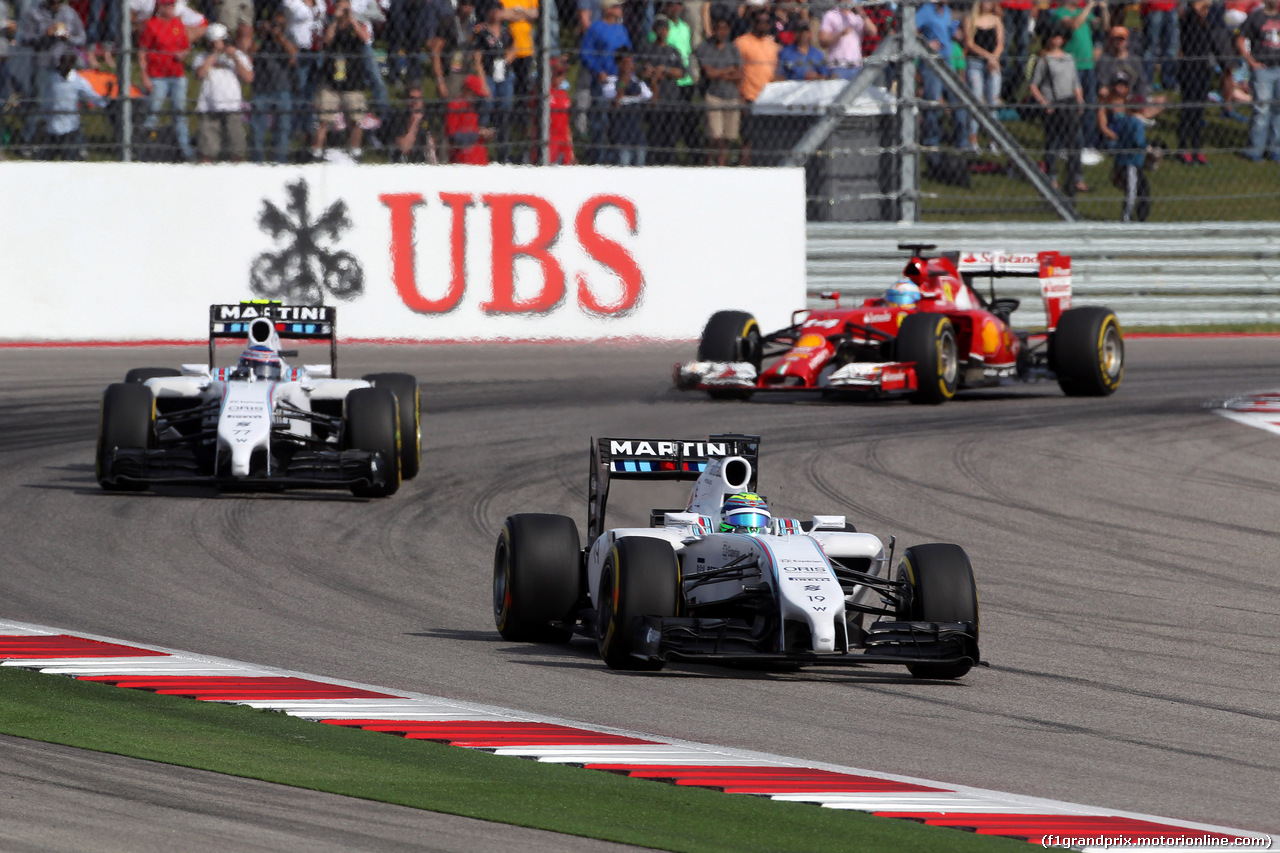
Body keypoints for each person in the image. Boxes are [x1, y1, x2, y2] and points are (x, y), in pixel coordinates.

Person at [16, 0, 85, 152]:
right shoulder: (34, 14)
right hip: (43, 64)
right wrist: (45, 35)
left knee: (68, 104)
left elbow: (82, 38)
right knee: (38, 103)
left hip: (64, 65)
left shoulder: (69, 13)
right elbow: (25, 38)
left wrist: (68, 37)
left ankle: (77, 143)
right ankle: (28, 142)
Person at [1029, 23, 1085, 194]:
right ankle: (1051, 176)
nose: (1057, 40)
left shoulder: (1069, 58)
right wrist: (1043, 101)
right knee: (1052, 141)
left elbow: (1075, 81)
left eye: (1060, 37)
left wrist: (1080, 99)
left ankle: (1076, 177)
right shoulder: (1044, 59)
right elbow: (1033, 85)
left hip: (1069, 102)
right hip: (1052, 104)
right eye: (1054, 36)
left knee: (1075, 141)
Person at [310, 0, 370, 161]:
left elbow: (365, 38)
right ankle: (316, 152)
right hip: (331, 80)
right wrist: (336, 21)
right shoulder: (329, 24)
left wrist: (351, 19)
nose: (344, 11)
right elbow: (326, 41)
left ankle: (355, 151)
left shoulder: (357, 23)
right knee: (324, 119)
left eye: (346, 8)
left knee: (355, 119)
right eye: (341, 8)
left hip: (353, 80)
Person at [138, 0, 194, 161]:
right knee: (153, 111)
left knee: (179, 113)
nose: (171, 8)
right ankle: (145, 147)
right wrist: (144, 75)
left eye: (172, 5)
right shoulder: (151, 25)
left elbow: (186, 46)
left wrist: (183, 54)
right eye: (168, 5)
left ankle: (185, 150)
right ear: (160, 8)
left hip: (177, 74)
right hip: (157, 75)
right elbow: (142, 51)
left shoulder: (177, 24)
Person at [1050, 0, 1103, 161]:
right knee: (1070, 107)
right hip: (1072, 66)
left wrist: (1104, 10)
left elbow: (1102, 26)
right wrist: (1088, 7)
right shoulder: (1059, 13)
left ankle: (1087, 144)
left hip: (1088, 65)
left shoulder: (1084, 12)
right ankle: (1063, 145)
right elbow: (1074, 25)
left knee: (1089, 105)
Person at [194, 21, 252, 162]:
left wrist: (234, 58)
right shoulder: (201, 57)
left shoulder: (238, 56)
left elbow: (248, 77)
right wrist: (214, 54)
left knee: (237, 150)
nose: (216, 44)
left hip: (232, 107)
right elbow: (200, 74)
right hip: (209, 107)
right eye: (212, 42)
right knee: (207, 152)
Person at [581, 0, 631, 162]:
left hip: (619, 82)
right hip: (603, 83)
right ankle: (598, 160)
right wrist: (598, 71)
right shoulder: (595, 28)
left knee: (620, 123)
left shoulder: (622, 29)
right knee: (600, 124)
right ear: (608, 10)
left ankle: (617, 160)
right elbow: (586, 54)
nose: (621, 9)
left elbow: (628, 54)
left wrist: (629, 71)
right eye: (617, 6)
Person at [249, 10, 296, 164]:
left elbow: (293, 57)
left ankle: (280, 161)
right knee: (258, 129)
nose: (277, 26)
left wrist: (279, 36)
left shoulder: (288, 36)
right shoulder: (261, 38)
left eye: (280, 24)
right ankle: (257, 161)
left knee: (282, 128)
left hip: (282, 88)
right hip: (261, 88)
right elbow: (250, 54)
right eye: (275, 24)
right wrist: (262, 35)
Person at [694, 15, 742, 165]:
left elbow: (740, 73)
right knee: (715, 135)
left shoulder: (733, 48)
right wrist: (728, 71)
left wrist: (720, 73)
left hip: (732, 95)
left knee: (728, 136)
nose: (722, 32)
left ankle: (722, 165)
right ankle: (709, 164)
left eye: (725, 29)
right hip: (713, 95)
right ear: (714, 30)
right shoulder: (705, 47)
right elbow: (709, 73)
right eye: (719, 29)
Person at [916, 0, 963, 152]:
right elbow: (911, 29)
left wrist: (954, 33)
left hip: (947, 63)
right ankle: (931, 141)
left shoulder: (947, 11)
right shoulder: (926, 10)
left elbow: (945, 31)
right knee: (933, 102)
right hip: (931, 64)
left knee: (958, 101)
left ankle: (961, 143)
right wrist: (925, 43)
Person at [734, 7, 778, 165]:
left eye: (766, 22)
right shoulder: (742, 42)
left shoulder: (772, 44)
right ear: (752, 22)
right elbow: (737, 71)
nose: (763, 25)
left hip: (769, 99)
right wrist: (740, 96)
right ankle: (744, 169)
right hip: (750, 97)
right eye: (760, 21)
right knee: (748, 139)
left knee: (766, 138)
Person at [42, 50, 106, 158]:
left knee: (70, 159)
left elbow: (92, 96)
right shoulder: (53, 79)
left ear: (72, 65)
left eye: (68, 63)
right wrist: (45, 117)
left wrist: (106, 100)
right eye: (63, 63)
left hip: (70, 127)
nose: (64, 66)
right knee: (44, 160)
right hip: (52, 126)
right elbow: (47, 99)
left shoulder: (78, 81)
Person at [1237, 0, 1280, 160]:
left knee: (1278, 110)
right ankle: (1255, 150)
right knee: (1262, 109)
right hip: (1263, 69)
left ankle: (1275, 149)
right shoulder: (1256, 17)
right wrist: (1251, 62)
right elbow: (1240, 39)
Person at [639, 14, 685, 163]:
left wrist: (664, 70)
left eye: (665, 28)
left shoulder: (673, 51)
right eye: (659, 28)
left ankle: (669, 163)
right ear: (654, 30)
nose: (662, 31)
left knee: (670, 139)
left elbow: (681, 72)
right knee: (655, 138)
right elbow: (641, 71)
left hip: (672, 99)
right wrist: (648, 71)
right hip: (655, 100)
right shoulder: (648, 49)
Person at [473, 0, 515, 160]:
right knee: (487, 105)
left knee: (504, 108)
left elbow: (513, 46)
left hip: (504, 74)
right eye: (494, 10)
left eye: (499, 10)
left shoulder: (505, 31)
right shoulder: (481, 31)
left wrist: (506, 60)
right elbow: (477, 58)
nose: (497, 13)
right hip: (489, 73)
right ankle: (482, 147)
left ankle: (503, 153)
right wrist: (483, 81)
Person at [963, 0, 1004, 150]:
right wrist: (988, 57)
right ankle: (973, 139)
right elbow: (970, 43)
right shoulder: (970, 19)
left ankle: (993, 139)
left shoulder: (996, 20)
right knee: (976, 99)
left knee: (992, 102)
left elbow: (1000, 43)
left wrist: (994, 58)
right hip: (975, 63)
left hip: (993, 64)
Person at [1178, 0, 1216, 163]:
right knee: (1189, 109)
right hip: (1189, 70)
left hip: (1203, 69)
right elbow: (1193, 10)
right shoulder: (1188, 21)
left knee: (1199, 111)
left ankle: (1197, 147)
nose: (1205, 10)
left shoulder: (1206, 24)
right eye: (1204, 8)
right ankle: (1183, 147)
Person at [603, 46, 651, 163]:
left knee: (640, 162)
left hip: (637, 135)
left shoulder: (638, 83)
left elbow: (650, 97)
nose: (630, 65)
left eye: (631, 62)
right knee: (624, 162)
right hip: (620, 136)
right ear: (619, 63)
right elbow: (617, 101)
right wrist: (625, 77)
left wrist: (652, 77)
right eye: (626, 62)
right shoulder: (610, 83)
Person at [1108, 93, 1150, 220]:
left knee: (1140, 188)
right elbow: (1139, 141)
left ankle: (1138, 216)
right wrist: (1147, 147)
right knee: (1133, 191)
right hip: (1132, 162)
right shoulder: (1137, 123)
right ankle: (1127, 217)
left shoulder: (1123, 120)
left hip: (1121, 160)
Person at [818, 0, 876, 80]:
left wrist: (862, 13)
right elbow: (823, 41)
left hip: (856, 65)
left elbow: (873, 32)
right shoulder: (830, 15)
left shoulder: (857, 17)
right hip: (838, 65)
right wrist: (839, 35)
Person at [445, 72, 492, 163]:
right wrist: (477, 134)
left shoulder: (475, 108)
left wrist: (486, 134)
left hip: (480, 159)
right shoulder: (454, 106)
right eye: (474, 94)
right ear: (467, 90)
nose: (476, 98)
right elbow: (453, 137)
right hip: (463, 159)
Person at [386, 86, 439, 162]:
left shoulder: (427, 118)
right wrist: (415, 122)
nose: (416, 102)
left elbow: (431, 146)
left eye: (419, 98)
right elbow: (404, 148)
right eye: (412, 98)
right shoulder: (399, 118)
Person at [1140, 0, 1180, 91]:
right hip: (1152, 7)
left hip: (1171, 6)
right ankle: (1146, 82)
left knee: (1171, 47)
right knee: (1151, 47)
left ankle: (1169, 82)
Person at [1000, 0, 1034, 103]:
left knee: (1023, 42)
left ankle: (1020, 72)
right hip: (1007, 5)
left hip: (1024, 6)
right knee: (1005, 41)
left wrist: (1034, 5)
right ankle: (1004, 76)